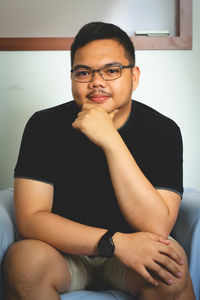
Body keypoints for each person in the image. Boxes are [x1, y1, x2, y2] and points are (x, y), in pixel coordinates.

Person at [3, 22, 195, 300]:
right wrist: (113, 242)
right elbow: (31, 220)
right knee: (23, 263)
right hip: (62, 253)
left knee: (170, 266)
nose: (97, 81)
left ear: (134, 76)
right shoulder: (43, 125)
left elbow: (157, 226)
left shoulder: (162, 131)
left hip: (135, 255)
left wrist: (110, 139)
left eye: (112, 70)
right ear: (72, 78)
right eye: (83, 72)